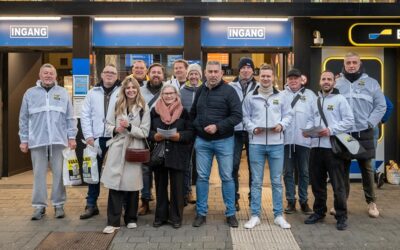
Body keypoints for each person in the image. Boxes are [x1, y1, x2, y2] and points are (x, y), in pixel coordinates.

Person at [19, 63, 77, 220]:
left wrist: (71, 137)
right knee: (38, 175)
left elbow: (70, 117)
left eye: (51, 73)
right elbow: (23, 118)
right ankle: (39, 206)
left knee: (59, 174)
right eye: (45, 73)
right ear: (40, 75)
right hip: (37, 141)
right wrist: (24, 140)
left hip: (59, 141)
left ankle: (59, 205)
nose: (48, 76)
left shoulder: (63, 93)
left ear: (55, 75)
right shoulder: (30, 94)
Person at [190, 61, 242, 228]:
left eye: (216, 72)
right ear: (205, 73)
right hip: (203, 142)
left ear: (221, 73)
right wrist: (200, 129)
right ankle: (201, 213)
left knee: (227, 177)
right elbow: (193, 114)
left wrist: (218, 127)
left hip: (224, 141)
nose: (213, 74)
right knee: (202, 178)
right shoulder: (200, 90)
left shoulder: (229, 91)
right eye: (210, 71)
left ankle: (231, 213)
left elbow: (237, 116)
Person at [335, 52, 386, 218]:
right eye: (348, 62)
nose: (351, 65)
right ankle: (341, 203)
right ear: (344, 64)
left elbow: (381, 106)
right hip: (345, 134)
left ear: (359, 64)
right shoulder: (337, 83)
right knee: (343, 170)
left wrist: (370, 123)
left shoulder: (371, 83)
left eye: (354, 62)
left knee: (367, 169)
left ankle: (372, 203)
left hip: (364, 132)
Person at [242, 64, 293, 229]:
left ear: (273, 78)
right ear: (259, 76)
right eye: (263, 76)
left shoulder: (282, 96)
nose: (265, 78)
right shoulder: (251, 96)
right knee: (256, 181)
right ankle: (255, 215)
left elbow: (288, 115)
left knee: (277, 181)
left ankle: (278, 215)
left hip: (276, 143)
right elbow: (245, 117)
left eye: (268, 76)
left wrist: (281, 125)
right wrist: (252, 128)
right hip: (256, 143)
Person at [304, 70, 354, 231]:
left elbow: (349, 121)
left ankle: (341, 216)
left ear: (334, 82)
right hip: (315, 148)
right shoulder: (315, 100)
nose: (326, 81)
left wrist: (331, 129)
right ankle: (319, 212)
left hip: (333, 149)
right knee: (317, 184)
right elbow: (311, 119)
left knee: (338, 185)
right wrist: (307, 130)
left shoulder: (340, 100)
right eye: (323, 79)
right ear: (320, 81)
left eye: (329, 79)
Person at [101, 76, 151, 234]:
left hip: (134, 149)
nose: (131, 90)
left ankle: (131, 218)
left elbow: (144, 132)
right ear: (124, 90)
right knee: (115, 185)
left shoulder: (143, 107)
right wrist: (116, 129)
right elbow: (108, 124)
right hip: (117, 147)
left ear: (138, 90)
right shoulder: (116, 104)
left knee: (132, 185)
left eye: (133, 88)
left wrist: (129, 127)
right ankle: (113, 221)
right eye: (128, 88)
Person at [149, 85, 194, 229]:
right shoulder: (154, 112)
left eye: (171, 93)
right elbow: (147, 131)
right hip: (160, 155)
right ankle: (160, 216)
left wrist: (179, 136)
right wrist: (154, 136)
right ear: (161, 95)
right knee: (160, 186)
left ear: (176, 95)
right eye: (165, 93)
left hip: (178, 153)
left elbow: (191, 132)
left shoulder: (184, 112)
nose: (168, 96)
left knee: (177, 188)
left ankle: (176, 217)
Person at [80, 64, 121, 220]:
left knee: (116, 172)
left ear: (117, 76)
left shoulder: (122, 91)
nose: (109, 74)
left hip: (115, 137)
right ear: (101, 75)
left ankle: (118, 204)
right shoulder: (92, 93)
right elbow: (85, 115)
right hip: (96, 138)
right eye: (107, 72)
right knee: (93, 172)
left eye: (113, 72)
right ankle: (91, 204)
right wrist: (89, 136)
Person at [281, 68, 316, 214]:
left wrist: (307, 130)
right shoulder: (281, 95)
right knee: (288, 172)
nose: (293, 81)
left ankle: (304, 201)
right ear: (287, 80)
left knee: (304, 172)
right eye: (290, 78)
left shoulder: (310, 95)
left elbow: (314, 115)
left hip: (304, 140)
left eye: (296, 78)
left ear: (301, 80)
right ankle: (290, 201)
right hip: (286, 141)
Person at [230, 57, 258, 211]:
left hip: (253, 131)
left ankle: (253, 197)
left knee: (253, 166)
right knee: (233, 165)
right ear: (239, 70)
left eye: (249, 68)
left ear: (253, 71)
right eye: (243, 68)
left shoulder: (260, 86)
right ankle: (234, 198)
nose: (246, 70)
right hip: (235, 131)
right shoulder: (231, 86)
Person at [138, 63, 165, 215]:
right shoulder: (140, 91)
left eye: (159, 73)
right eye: (153, 72)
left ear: (163, 75)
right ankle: (145, 201)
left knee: (161, 169)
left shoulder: (168, 90)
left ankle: (162, 201)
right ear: (148, 74)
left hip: (162, 134)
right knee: (145, 169)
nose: (156, 75)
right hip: (145, 134)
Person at [180, 63, 203, 205]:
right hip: (187, 132)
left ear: (200, 75)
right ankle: (187, 191)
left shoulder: (205, 89)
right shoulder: (181, 91)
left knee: (200, 165)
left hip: (201, 132)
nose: (194, 76)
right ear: (187, 75)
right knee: (187, 163)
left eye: (196, 74)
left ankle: (200, 194)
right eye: (191, 74)